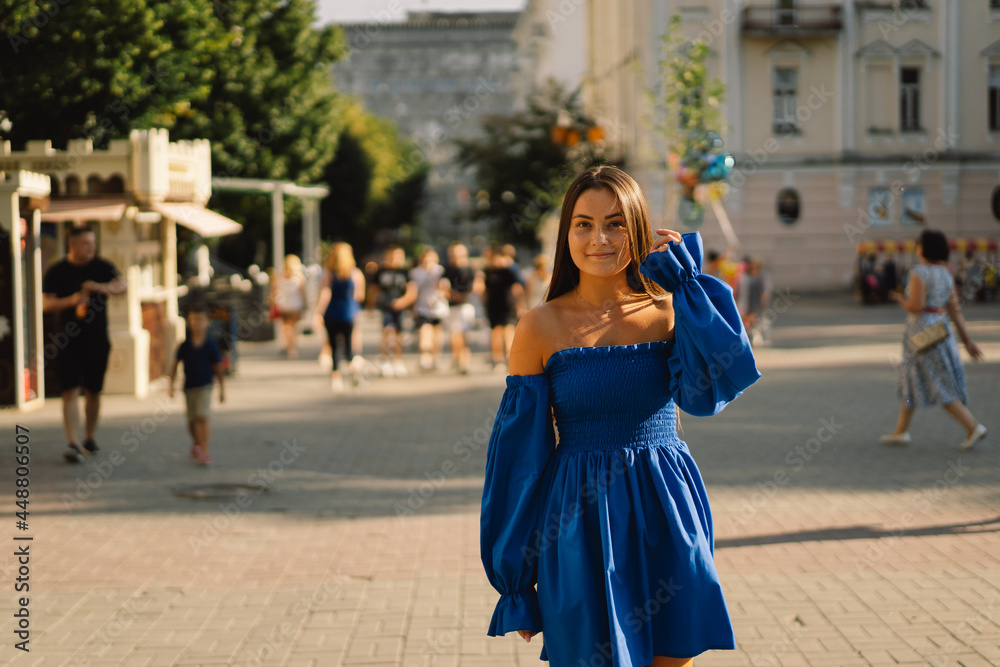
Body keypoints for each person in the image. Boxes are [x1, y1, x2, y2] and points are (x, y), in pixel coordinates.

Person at [480, 165, 760, 667]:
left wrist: (689, 283)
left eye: (615, 223)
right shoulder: (539, 328)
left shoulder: (670, 311)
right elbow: (518, 459)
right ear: (566, 233)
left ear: (638, 229)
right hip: (577, 520)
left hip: (667, 507)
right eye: (583, 224)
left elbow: (719, 381)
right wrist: (516, 581)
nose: (600, 239)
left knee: (673, 658)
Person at [881, 229, 988, 451]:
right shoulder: (946, 273)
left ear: (923, 248)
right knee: (910, 381)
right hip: (940, 330)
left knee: (939, 384)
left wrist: (900, 298)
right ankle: (900, 431)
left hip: (921, 335)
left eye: (918, 244)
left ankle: (972, 426)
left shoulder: (919, 272)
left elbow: (916, 306)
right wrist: (968, 341)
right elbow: (955, 311)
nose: (916, 247)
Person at [42, 225, 127, 463]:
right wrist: (72, 300)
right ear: (73, 245)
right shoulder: (57, 271)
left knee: (94, 391)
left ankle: (89, 436)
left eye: (92, 243)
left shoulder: (102, 266)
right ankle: (73, 442)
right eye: (86, 244)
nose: (91, 247)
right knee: (69, 390)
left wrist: (98, 287)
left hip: (97, 340)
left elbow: (123, 286)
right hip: (67, 341)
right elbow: (46, 304)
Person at [168, 303, 225, 465]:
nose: (196, 323)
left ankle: (204, 450)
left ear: (207, 322)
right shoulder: (184, 345)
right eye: (193, 320)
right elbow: (174, 365)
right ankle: (197, 443)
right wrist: (170, 385)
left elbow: (218, 368)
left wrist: (222, 389)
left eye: (200, 319)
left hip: (205, 386)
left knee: (202, 417)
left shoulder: (211, 345)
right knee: (192, 420)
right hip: (189, 387)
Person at [314, 242, 366, 392]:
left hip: (332, 313)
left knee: (334, 345)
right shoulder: (355, 274)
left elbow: (325, 294)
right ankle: (352, 373)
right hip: (349, 313)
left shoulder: (329, 274)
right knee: (349, 346)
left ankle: (335, 377)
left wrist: (318, 314)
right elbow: (359, 296)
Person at [395, 247, 449, 372]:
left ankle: (435, 358)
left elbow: (445, 288)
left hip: (438, 307)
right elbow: (411, 290)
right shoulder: (415, 273)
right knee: (424, 331)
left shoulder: (440, 271)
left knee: (436, 333)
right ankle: (425, 357)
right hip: (422, 307)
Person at [480, 243, 525, 372]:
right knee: (496, 333)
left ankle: (509, 358)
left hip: (507, 305)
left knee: (508, 332)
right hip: (493, 306)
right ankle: (498, 359)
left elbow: (517, 290)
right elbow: (484, 292)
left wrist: (520, 306)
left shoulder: (507, 271)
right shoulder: (487, 271)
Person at [374, 246, 410, 377]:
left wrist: (404, 301)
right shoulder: (381, 271)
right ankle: (384, 360)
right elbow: (374, 289)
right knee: (387, 331)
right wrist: (371, 306)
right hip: (385, 306)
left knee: (399, 334)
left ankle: (398, 360)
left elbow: (412, 290)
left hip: (400, 307)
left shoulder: (405, 272)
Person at [443, 242, 478, 375]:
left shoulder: (469, 269)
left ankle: (463, 361)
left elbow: (473, 286)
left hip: (465, 306)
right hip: (451, 307)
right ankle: (457, 357)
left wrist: (461, 296)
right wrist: (450, 294)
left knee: (460, 332)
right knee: (455, 334)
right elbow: (442, 286)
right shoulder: (446, 269)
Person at [271, 254, 307, 359]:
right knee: (293, 328)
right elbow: (303, 292)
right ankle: (292, 347)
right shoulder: (299, 277)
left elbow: (274, 291)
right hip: (296, 305)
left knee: (287, 327)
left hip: (284, 305)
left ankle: (288, 346)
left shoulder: (279, 276)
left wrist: (273, 302)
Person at [737, 256, 772, 345]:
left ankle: (764, 338)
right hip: (751, 301)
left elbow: (766, 289)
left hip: (759, 301)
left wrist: (763, 300)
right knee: (751, 320)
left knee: (761, 319)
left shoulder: (763, 274)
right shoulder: (749, 274)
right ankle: (753, 338)